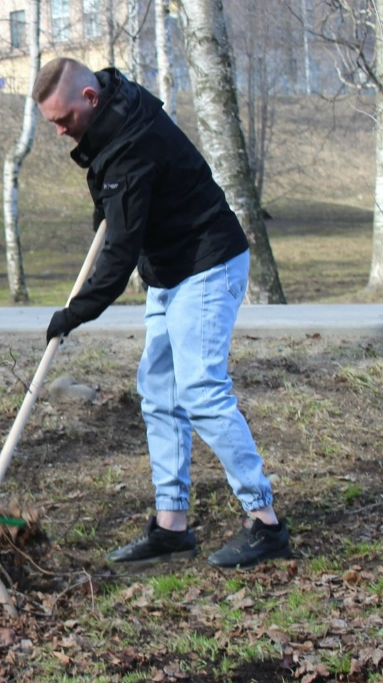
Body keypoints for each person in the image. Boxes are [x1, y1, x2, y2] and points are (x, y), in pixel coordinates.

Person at [33, 57, 289, 569]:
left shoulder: (131, 144)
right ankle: (172, 526)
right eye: (52, 123)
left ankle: (266, 523)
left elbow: (120, 253)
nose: (60, 131)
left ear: (89, 98)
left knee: (200, 390)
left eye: (63, 119)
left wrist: (75, 312)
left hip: (206, 263)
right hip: (170, 270)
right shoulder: (116, 113)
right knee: (159, 391)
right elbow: (121, 201)